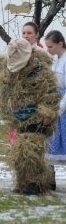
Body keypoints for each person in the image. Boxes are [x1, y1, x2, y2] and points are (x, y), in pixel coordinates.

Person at [0, 38, 60, 195]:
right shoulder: (10, 71)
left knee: (30, 148)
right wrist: (7, 109)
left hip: (36, 117)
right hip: (19, 117)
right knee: (19, 152)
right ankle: (24, 182)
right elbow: (5, 92)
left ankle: (36, 183)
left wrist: (47, 113)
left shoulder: (40, 70)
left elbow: (51, 93)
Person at [44, 31, 66, 189]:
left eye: (50, 46)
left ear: (60, 44)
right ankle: (50, 178)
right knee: (50, 140)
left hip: (63, 104)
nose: (48, 50)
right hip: (54, 101)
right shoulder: (55, 60)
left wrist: (60, 109)